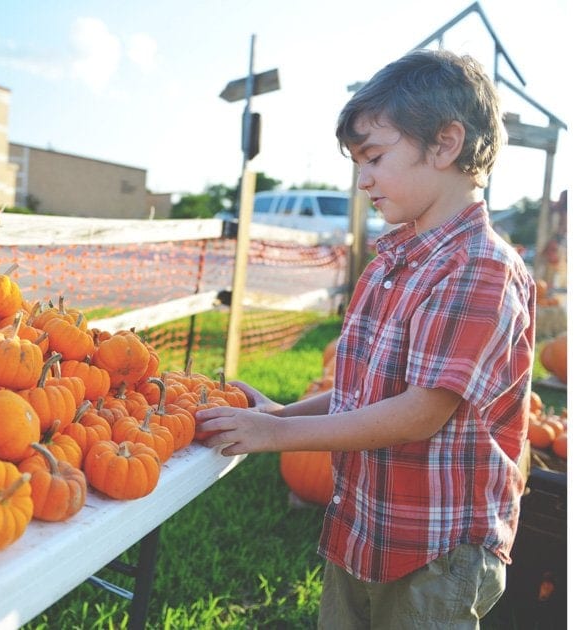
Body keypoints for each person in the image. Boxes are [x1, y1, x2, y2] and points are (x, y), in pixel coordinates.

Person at [196, 48, 536, 629]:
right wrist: (286, 412)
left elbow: (418, 412)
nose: (363, 181)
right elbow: (364, 390)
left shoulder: (479, 266)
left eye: (374, 157)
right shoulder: (389, 262)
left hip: (435, 551)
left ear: (445, 144)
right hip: (364, 527)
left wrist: (279, 433)